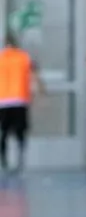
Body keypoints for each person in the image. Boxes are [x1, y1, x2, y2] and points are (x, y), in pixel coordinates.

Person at [0, 35, 45, 174]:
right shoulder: (24, 57)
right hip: (20, 99)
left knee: (4, 132)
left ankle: (4, 160)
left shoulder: (1, 58)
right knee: (20, 131)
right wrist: (41, 92)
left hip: (3, 101)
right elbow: (35, 75)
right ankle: (20, 159)